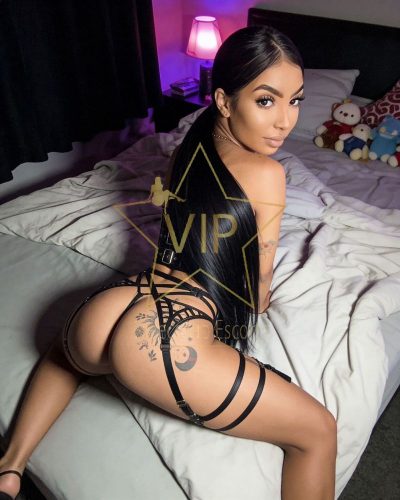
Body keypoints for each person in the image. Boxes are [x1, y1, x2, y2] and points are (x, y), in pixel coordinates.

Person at [0, 25, 337, 500]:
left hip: (113, 304)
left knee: (64, 351)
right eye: (266, 101)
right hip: (166, 334)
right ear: (224, 101)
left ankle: (10, 467)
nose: (285, 121)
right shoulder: (267, 174)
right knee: (318, 432)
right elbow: (257, 292)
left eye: (296, 101)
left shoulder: (186, 150)